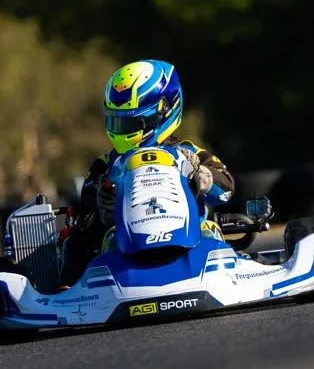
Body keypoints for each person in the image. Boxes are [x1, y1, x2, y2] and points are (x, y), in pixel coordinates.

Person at [60, 59, 235, 282]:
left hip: (193, 242)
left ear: (164, 111)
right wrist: (102, 206)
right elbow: (85, 215)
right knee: (76, 237)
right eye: (117, 123)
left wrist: (201, 176)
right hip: (122, 252)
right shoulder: (104, 165)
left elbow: (227, 188)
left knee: (210, 229)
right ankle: (66, 291)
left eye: (133, 124)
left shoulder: (189, 153)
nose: (123, 132)